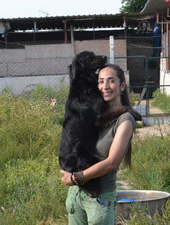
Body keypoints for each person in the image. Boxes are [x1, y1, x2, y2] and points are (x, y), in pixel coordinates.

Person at [60, 64, 137, 225]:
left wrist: (76, 178)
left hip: (99, 199)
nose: (105, 86)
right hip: (76, 195)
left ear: (122, 85)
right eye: (101, 82)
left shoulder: (125, 120)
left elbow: (111, 163)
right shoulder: (93, 113)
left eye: (111, 81)